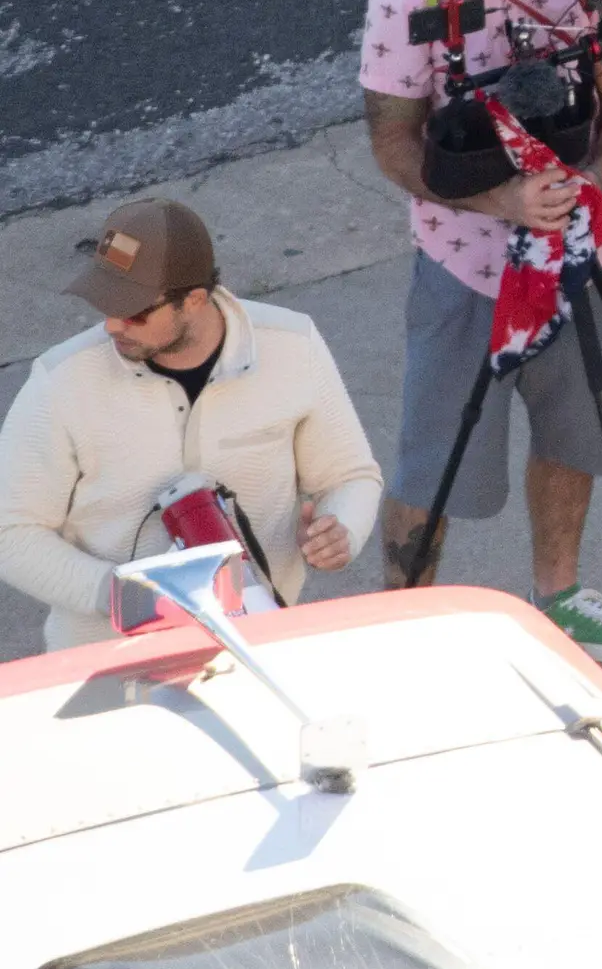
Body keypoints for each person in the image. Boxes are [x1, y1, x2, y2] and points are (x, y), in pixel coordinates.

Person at [358, 0, 602, 663]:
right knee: (430, 467)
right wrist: (503, 204)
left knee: (577, 436)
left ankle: (557, 594)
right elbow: (393, 144)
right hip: (464, 268)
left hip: (582, 255)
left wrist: (582, 189)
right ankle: (402, 626)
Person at [0, 198, 383, 651]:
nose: (112, 325)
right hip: (103, 652)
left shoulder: (293, 346)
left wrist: (341, 529)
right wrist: (123, 595)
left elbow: (350, 476)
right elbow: (11, 533)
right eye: (104, 302)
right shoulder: (61, 381)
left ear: (194, 300)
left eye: (135, 310)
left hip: (257, 642)